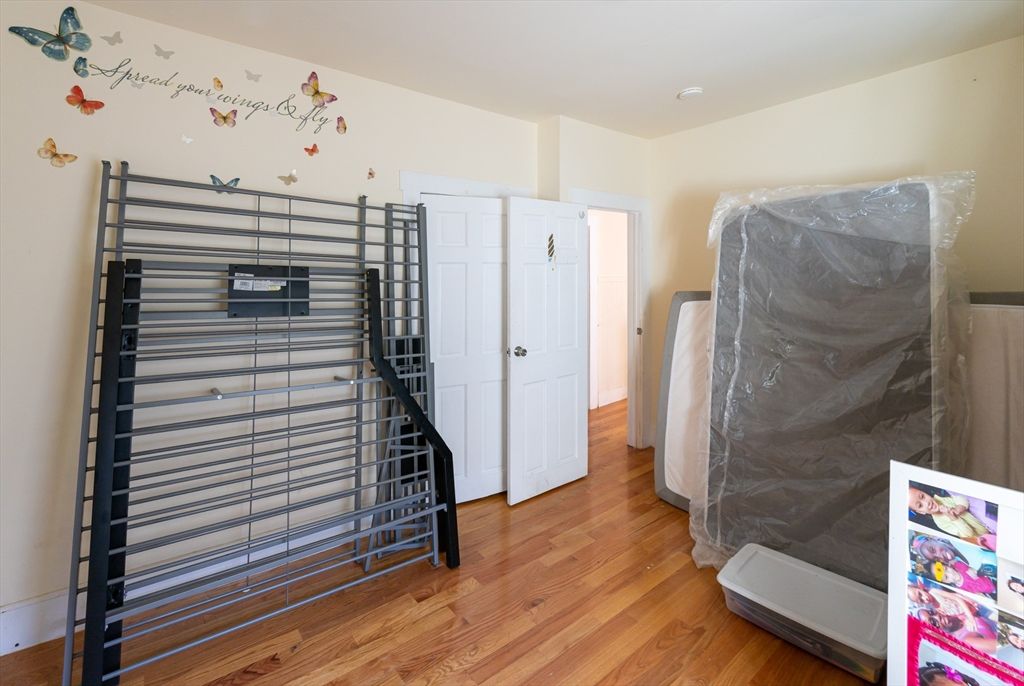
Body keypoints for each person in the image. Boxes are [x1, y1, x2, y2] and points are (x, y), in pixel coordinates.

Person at [908, 486, 996, 550]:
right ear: (921, 512)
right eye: (920, 505)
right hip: (986, 535)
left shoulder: (941, 497)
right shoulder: (940, 523)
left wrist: (961, 506)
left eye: (922, 496)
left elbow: (959, 496)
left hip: (985, 518)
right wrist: (954, 518)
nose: (927, 503)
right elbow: (968, 533)